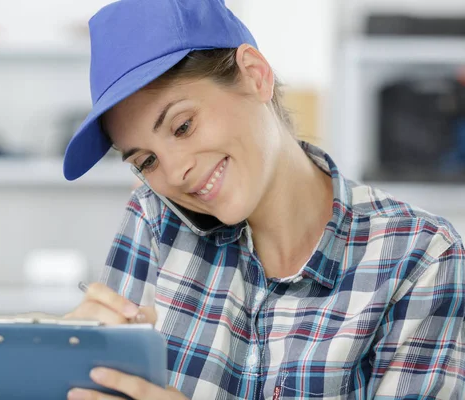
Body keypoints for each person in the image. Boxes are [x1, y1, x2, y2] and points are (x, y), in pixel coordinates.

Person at [61, 0, 465, 399]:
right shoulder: (153, 219)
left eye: (182, 126)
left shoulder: (422, 257)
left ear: (255, 75)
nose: (174, 173)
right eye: (147, 160)